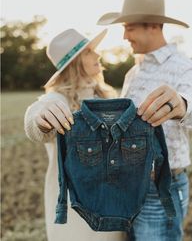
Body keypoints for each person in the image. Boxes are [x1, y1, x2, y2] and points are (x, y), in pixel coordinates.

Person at [97, 0, 192, 241]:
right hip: (128, 187)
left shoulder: (186, 68)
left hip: (159, 189)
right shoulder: (133, 73)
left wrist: (184, 106)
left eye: (129, 28)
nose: (124, 36)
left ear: (154, 26)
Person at [24, 28, 127, 241]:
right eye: (89, 51)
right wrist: (40, 119)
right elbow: (37, 118)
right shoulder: (59, 99)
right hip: (74, 208)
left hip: (112, 201)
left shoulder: (107, 94)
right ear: (75, 61)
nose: (98, 55)